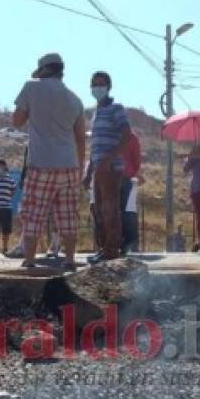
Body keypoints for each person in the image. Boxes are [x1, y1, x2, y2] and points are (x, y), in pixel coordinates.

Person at [12, 53, 85, 271]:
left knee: (34, 212)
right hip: (69, 165)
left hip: (41, 163)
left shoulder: (31, 87)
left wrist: (33, 80)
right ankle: (70, 259)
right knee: (68, 214)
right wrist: (80, 168)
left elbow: (17, 121)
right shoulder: (75, 98)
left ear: (42, 69)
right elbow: (80, 137)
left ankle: (31, 259)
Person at [83, 71, 132, 263]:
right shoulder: (95, 114)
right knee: (100, 210)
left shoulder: (116, 109)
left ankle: (112, 250)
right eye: (94, 84)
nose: (97, 88)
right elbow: (95, 146)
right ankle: (104, 248)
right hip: (98, 170)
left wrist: (110, 158)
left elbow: (127, 136)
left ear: (109, 87)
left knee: (111, 209)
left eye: (101, 84)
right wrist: (88, 173)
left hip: (111, 169)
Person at [120, 131, 142, 254]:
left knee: (120, 211)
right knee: (125, 210)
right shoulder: (132, 136)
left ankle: (123, 243)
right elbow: (137, 158)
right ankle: (126, 243)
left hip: (115, 175)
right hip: (126, 175)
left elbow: (136, 158)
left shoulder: (110, 133)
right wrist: (132, 171)